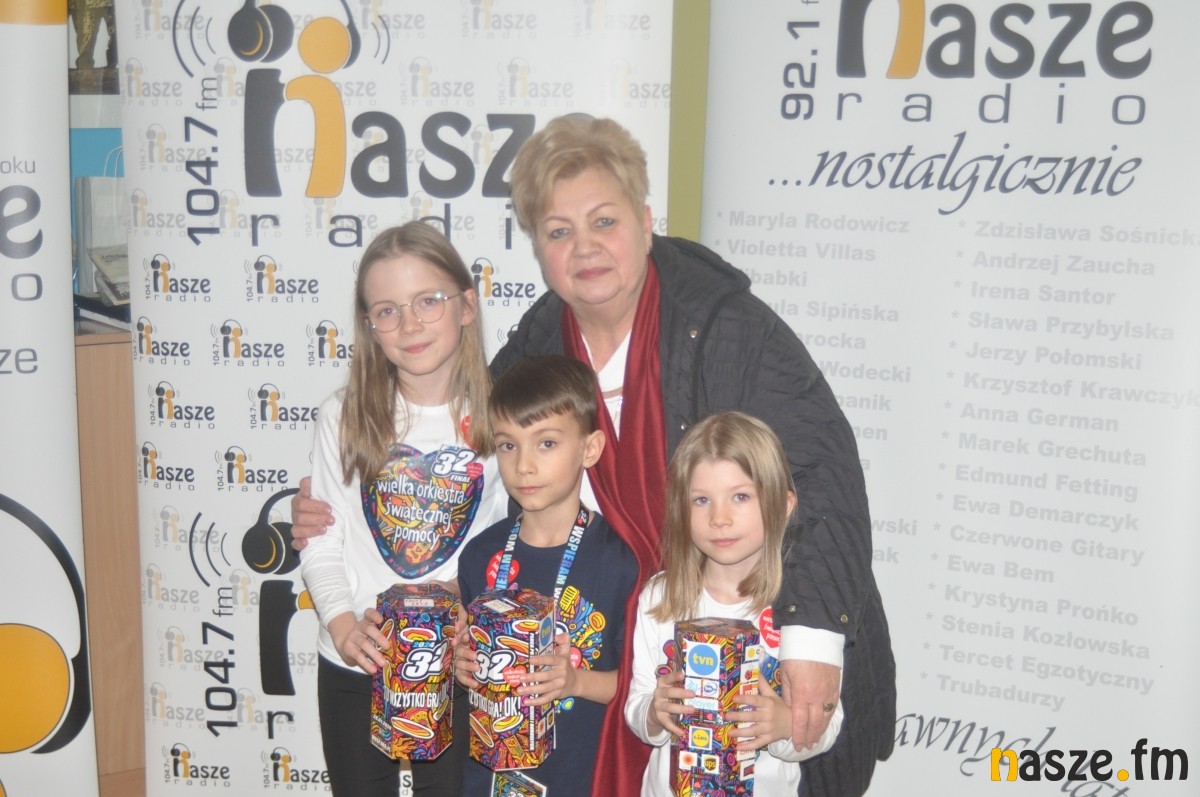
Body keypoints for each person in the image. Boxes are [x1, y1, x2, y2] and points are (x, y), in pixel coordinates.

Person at [291, 114, 895, 797]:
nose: (585, 248)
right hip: (612, 653)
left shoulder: (727, 326)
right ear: (538, 249)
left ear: (645, 220)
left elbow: (821, 472)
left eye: (604, 221)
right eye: (558, 232)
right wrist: (330, 506)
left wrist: (810, 641)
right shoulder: (540, 343)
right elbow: (475, 457)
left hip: (749, 627)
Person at [299, 222, 510, 797]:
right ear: (369, 325)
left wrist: (471, 601)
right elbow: (321, 537)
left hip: (460, 664)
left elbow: (511, 537)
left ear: (467, 306)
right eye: (387, 311)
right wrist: (342, 624)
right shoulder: (343, 415)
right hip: (356, 663)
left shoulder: (503, 416)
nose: (410, 324)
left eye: (428, 301)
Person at [625, 411, 844, 795]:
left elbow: (828, 726)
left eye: (740, 496)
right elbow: (637, 707)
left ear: (784, 505)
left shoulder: (804, 614)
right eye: (701, 500)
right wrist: (655, 714)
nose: (719, 518)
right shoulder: (661, 598)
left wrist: (783, 726)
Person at [453, 354, 638, 794]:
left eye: (547, 443)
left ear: (589, 448)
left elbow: (638, 686)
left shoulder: (620, 562)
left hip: (579, 778)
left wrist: (574, 681)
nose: (524, 465)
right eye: (508, 445)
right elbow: (464, 661)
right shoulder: (479, 555)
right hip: (487, 778)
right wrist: (460, 663)